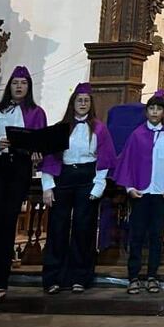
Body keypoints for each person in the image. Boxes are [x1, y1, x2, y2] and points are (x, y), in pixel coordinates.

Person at [40, 83, 116, 294]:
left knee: (84, 229)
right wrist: (47, 187)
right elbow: (50, 158)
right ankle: (53, 278)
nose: (82, 103)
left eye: (86, 100)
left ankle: (80, 277)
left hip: (87, 178)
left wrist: (99, 185)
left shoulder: (99, 128)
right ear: (72, 103)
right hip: (63, 178)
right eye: (79, 100)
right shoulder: (61, 127)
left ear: (90, 104)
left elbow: (105, 159)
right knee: (58, 227)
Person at [112, 90, 164, 295]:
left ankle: (152, 275)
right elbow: (128, 162)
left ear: (163, 112)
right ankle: (133, 276)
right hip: (141, 192)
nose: (154, 111)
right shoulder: (136, 135)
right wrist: (129, 187)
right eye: (151, 108)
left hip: (160, 193)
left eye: (158, 108)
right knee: (137, 235)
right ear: (146, 111)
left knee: (156, 236)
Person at [0, 66, 47, 301]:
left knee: (6, 224)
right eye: (15, 83)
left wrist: (37, 152)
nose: (19, 87)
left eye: (23, 83)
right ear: (10, 86)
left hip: (17, 170)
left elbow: (42, 141)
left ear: (28, 87)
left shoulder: (35, 112)